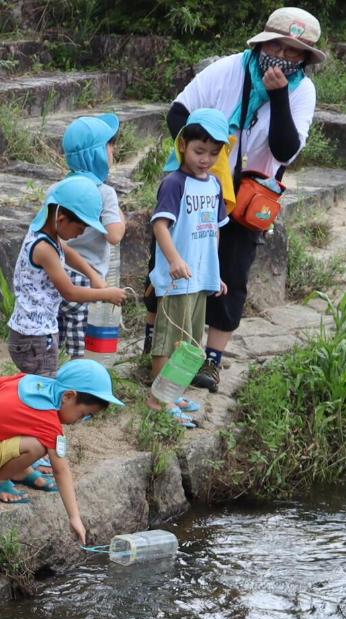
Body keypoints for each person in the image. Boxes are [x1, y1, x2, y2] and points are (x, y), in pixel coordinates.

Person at [167, 6, 323, 392]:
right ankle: (165, 350)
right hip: (200, 187)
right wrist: (199, 160)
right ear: (263, 43)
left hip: (249, 197)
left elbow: (285, 150)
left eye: (295, 53)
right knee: (177, 264)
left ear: (305, 59)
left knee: (231, 274)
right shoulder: (229, 68)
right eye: (279, 46)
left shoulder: (302, 90)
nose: (285, 57)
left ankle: (211, 360)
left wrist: (280, 96)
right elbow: (179, 110)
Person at [0, 357, 121, 546]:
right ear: (68, 396)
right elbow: (60, 470)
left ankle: (20, 471)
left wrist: (4, 412)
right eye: (84, 415)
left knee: (30, 431)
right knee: (38, 445)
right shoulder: (48, 422)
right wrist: (74, 518)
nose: (80, 421)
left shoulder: (29, 381)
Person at [149, 110, 232, 423]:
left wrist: (216, 272)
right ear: (183, 144)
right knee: (168, 339)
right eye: (200, 151)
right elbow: (160, 226)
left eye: (213, 153)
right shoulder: (173, 184)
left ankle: (172, 393)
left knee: (189, 344)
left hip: (200, 278)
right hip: (177, 279)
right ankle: (158, 400)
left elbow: (214, 230)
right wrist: (174, 259)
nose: (206, 159)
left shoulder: (214, 185)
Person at [8, 177, 132, 376]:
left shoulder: (42, 231)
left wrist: (92, 275)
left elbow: (70, 253)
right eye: (80, 228)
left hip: (30, 334)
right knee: (43, 390)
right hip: (36, 338)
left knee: (34, 385)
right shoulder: (44, 249)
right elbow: (70, 292)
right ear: (62, 219)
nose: (80, 234)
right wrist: (106, 294)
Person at [59, 115, 128, 362]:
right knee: (78, 338)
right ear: (97, 154)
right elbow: (114, 235)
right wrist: (121, 214)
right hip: (88, 277)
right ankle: (76, 378)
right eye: (109, 145)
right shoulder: (104, 192)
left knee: (57, 331)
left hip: (57, 270)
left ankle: (53, 368)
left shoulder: (60, 188)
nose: (114, 150)